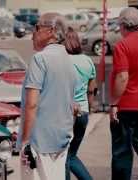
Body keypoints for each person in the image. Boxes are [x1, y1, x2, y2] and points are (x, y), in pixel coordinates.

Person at [17, 13, 79, 180]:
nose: (33, 33)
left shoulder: (40, 59)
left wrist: (25, 143)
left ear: (51, 31)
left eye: (37, 28)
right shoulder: (68, 60)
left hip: (39, 141)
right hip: (61, 138)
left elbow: (31, 104)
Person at [109, 7, 138, 180]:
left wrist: (114, 103)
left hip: (127, 106)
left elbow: (122, 77)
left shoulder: (122, 45)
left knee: (122, 151)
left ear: (123, 25)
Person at [64, 27, 97, 180]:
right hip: (83, 112)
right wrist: (89, 109)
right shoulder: (88, 60)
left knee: (64, 156)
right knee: (72, 154)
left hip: (67, 113)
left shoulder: (62, 61)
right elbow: (92, 89)